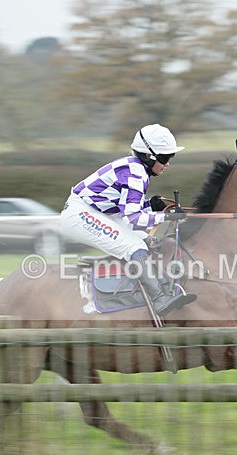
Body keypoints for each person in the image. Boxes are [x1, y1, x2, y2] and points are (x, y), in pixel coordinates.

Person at [60, 124, 197, 316]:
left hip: (100, 212)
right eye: (165, 158)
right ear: (148, 156)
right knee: (135, 246)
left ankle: (164, 290)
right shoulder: (136, 172)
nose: (167, 164)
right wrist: (166, 216)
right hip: (79, 214)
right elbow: (133, 219)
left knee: (145, 240)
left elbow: (128, 209)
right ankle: (159, 299)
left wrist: (151, 206)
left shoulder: (136, 168)